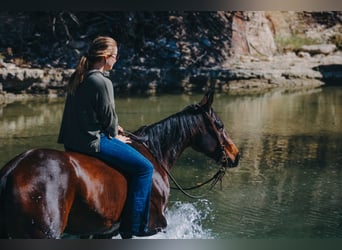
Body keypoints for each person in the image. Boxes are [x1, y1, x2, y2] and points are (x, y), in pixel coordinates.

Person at [57, 36, 160, 239]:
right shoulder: (102, 81)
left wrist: (112, 127)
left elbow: (87, 113)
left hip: (72, 141)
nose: (117, 59)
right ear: (105, 57)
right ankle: (136, 226)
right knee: (144, 168)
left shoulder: (81, 76)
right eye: (115, 55)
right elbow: (109, 120)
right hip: (92, 142)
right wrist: (115, 136)